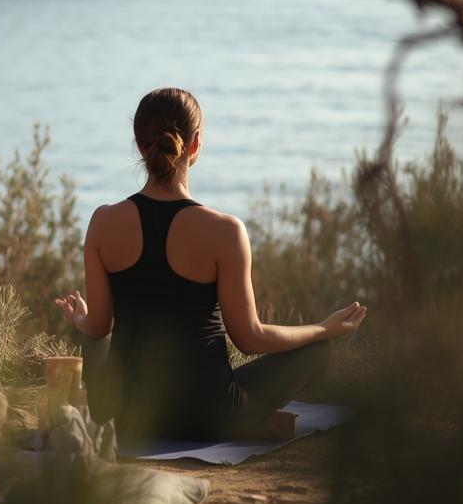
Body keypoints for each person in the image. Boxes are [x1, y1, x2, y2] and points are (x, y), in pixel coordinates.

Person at [54, 87, 368, 441]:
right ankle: (254, 420)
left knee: (94, 334)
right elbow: (249, 338)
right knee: (317, 353)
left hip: (126, 415)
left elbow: (98, 327)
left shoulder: (103, 221)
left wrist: (83, 319)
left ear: (140, 144)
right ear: (196, 143)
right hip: (209, 419)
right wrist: (324, 329)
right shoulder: (225, 230)